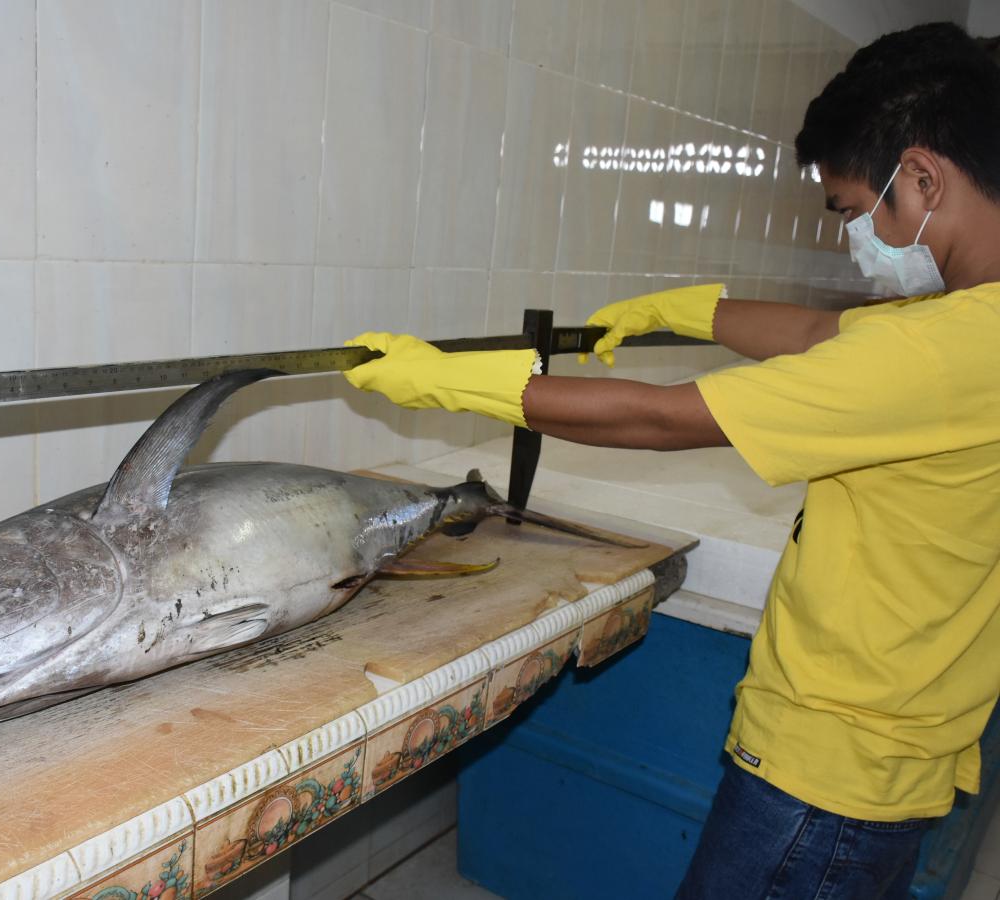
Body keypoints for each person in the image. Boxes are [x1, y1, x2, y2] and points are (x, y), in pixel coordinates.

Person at [342, 22, 1000, 900]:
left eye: (854, 211)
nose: (855, 241)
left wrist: (463, 383)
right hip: (896, 749)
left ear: (922, 179)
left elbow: (662, 418)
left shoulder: (943, 355)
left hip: (829, 773)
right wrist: (678, 310)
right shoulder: (964, 330)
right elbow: (816, 332)